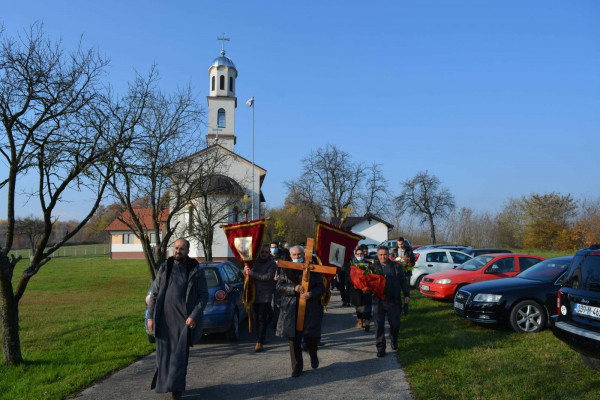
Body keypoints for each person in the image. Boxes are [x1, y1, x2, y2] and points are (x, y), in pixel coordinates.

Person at [147, 238, 209, 400]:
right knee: (163, 357)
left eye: (182, 249)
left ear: (187, 251)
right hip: (163, 320)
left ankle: (177, 391)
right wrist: (150, 317)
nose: (178, 251)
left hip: (183, 323)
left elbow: (203, 296)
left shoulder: (195, 269)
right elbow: (154, 294)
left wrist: (194, 315)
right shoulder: (164, 268)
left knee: (179, 358)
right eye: (176, 248)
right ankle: (165, 385)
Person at [276, 245, 325, 378]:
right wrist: (294, 288)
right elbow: (279, 286)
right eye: (294, 255)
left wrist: (311, 294)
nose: (297, 257)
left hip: (309, 308)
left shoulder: (314, 268)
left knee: (311, 338)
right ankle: (297, 367)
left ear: (304, 255)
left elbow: (321, 287)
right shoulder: (285, 268)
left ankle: (313, 356)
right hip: (291, 308)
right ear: (290, 256)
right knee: (294, 339)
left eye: (299, 254)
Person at [371, 246, 410, 358]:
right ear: (377, 256)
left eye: (385, 254)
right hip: (378, 301)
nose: (383, 257)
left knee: (395, 324)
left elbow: (403, 281)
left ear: (388, 255)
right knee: (379, 326)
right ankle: (380, 347)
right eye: (380, 255)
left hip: (393, 300)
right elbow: (369, 283)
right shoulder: (373, 267)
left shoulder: (396, 266)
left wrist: (406, 294)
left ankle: (394, 339)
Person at [244, 244, 277, 352]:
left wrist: (253, 274)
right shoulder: (254, 261)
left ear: (269, 253)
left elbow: (268, 277)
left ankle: (260, 340)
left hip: (265, 295)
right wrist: (246, 269)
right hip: (253, 294)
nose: (264, 254)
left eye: (266, 252)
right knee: (255, 318)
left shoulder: (272, 264)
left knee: (261, 318)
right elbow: (247, 272)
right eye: (262, 252)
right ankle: (260, 334)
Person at [344, 247, 373, 331]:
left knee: (367, 304)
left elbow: (371, 275)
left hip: (366, 288)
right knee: (358, 305)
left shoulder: (368, 263)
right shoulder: (351, 264)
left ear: (364, 254)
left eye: (361, 254)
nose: (359, 256)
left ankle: (367, 321)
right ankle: (360, 320)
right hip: (355, 289)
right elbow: (347, 277)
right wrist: (348, 287)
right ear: (355, 255)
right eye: (358, 254)